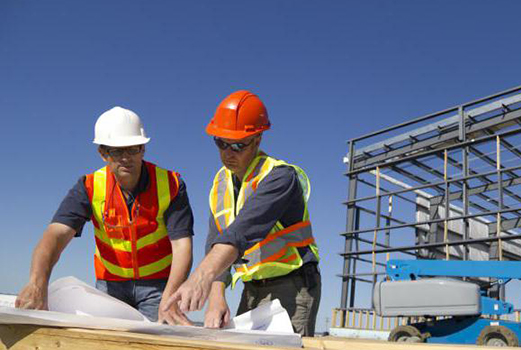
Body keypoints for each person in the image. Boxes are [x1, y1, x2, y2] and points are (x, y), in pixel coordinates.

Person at [15, 106, 194, 325]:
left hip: (159, 286)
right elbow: (55, 236)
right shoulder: (89, 187)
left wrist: (171, 295)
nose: (126, 158)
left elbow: (182, 246)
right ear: (103, 153)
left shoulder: (171, 184)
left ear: (143, 149)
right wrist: (36, 283)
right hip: (110, 285)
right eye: (117, 151)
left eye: (132, 149)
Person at [164, 90, 321, 336]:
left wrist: (200, 277)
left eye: (238, 145)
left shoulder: (280, 177)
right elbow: (217, 239)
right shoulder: (221, 183)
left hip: (294, 284)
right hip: (252, 287)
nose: (228, 152)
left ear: (257, 140)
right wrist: (216, 295)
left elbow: (241, 231)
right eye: (221, 143)